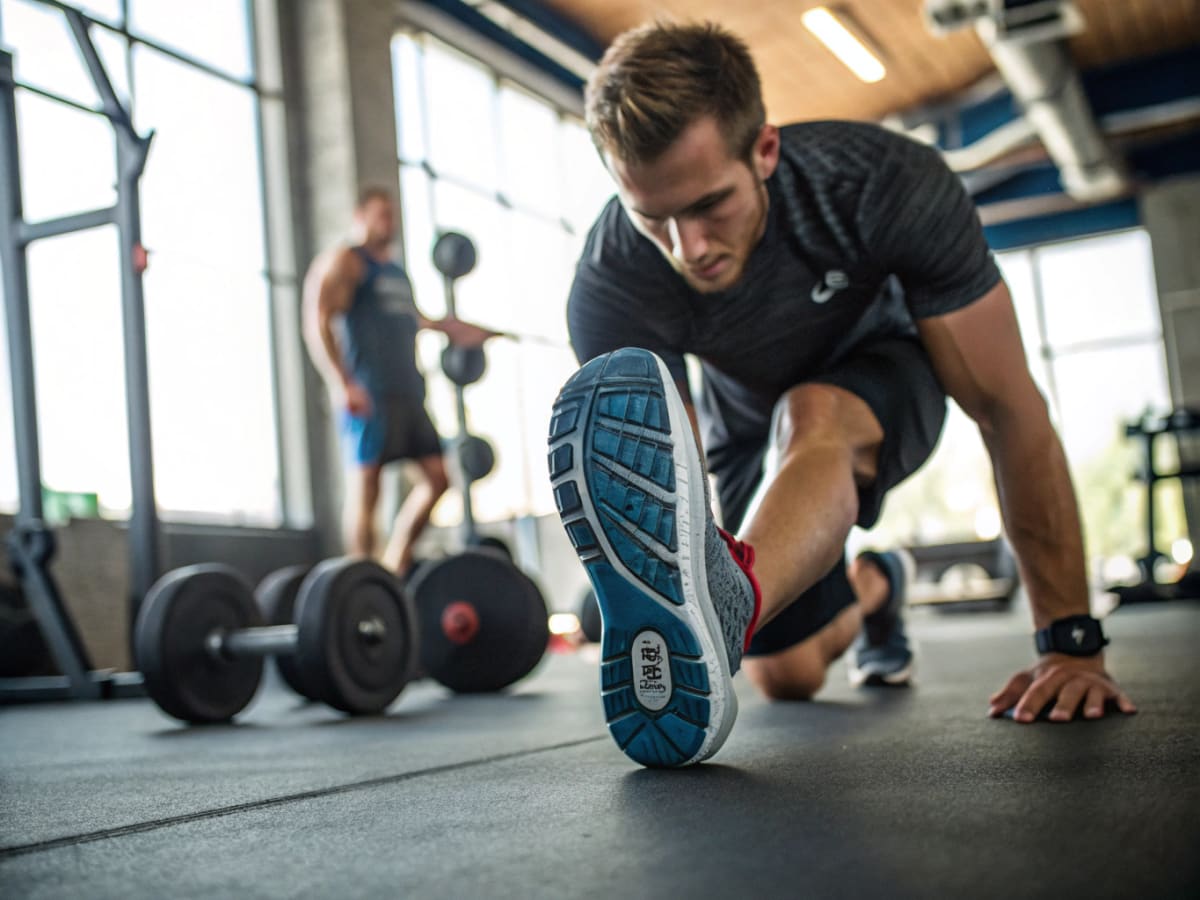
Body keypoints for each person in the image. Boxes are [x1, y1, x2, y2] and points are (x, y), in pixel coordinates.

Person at [547, 22, 1136, 768]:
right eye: (652, 217)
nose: (686, 246)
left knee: (812, 412)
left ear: (764, 150)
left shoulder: (882, 182)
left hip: (887, 374)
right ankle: (876, 586)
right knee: (784, 674)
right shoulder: (613, 280)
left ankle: (733, 602)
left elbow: (1008, 408)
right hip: (745, 425)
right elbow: (668, 491)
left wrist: (1069, 643)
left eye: (709, 205)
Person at [304, 187, 495, 575]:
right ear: (359, 218)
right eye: (380, 215)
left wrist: (457, 329)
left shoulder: (395, 272)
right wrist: (342, 383)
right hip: (369, 392)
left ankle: (395, 560)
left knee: (439, 478)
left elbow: (416, 320)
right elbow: (318, 317)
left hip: (409, 391)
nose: (387, 223)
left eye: (390, 216)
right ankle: (361, 575)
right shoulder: (348, 261)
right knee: (368, 485)